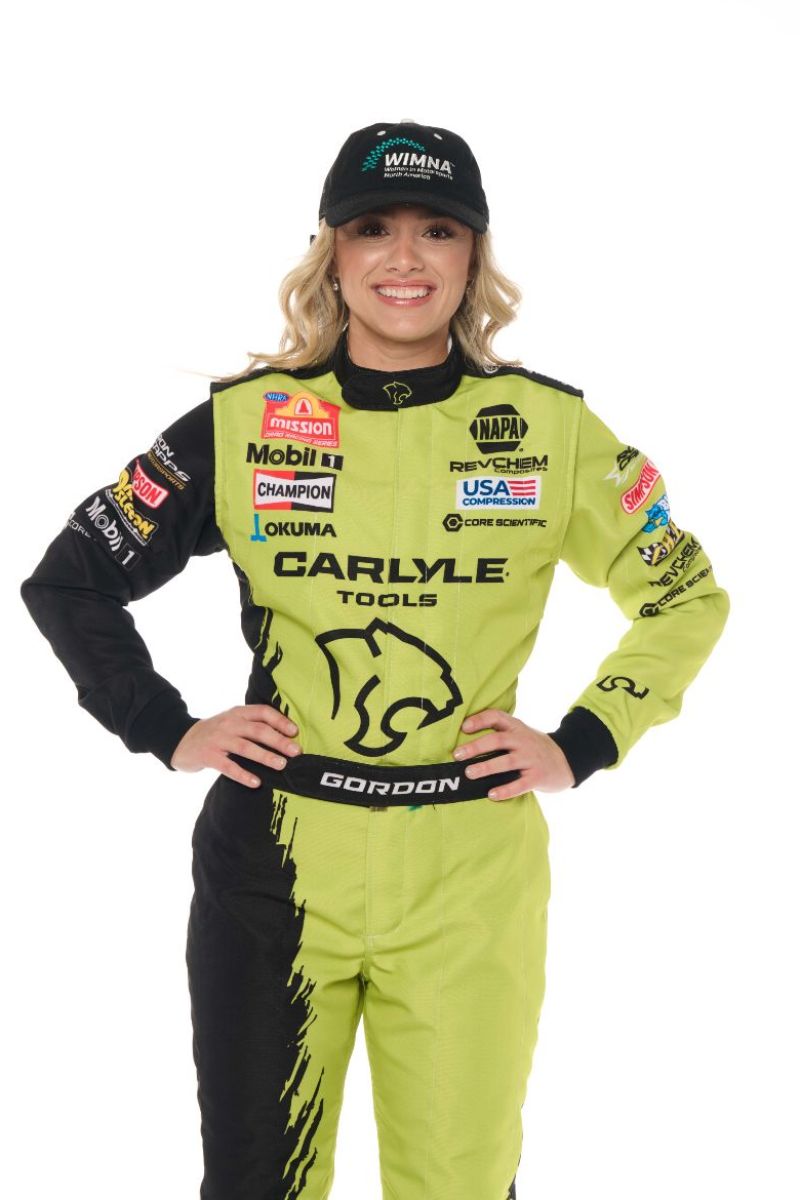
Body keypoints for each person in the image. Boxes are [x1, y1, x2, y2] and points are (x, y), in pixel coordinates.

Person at [19, 118, 730, 1200]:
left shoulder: (550, 432)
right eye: (372, 229)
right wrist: (166, 727)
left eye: (437, 229)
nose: (405, 257)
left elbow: (685, 595)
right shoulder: (244, 425)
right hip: (272, 869)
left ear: (474, 256)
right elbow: (69, 581)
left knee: (458, 1185)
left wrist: (583, 741)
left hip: (468, 875)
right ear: (332, 253)